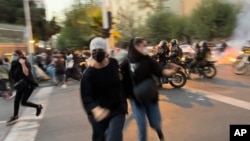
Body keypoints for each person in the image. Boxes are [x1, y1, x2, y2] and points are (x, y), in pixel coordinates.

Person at [120, 37, 177, 141]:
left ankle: (159, 133)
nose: (147, 48)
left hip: (151, 97)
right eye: (144, 46)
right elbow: (118, 77)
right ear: (136, 47)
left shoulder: (148, 60)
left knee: (155, 122)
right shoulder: (126, 63)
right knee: (142, 127)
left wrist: (170, 72)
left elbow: (160, 70)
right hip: (136, 100)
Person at [80, 37, 127, 141]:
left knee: (113, 138)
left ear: (105, 51)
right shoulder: (88, 74)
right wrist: (95, 109)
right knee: (100, 138)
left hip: (117, 109)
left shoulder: (113, 63)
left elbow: (120, 78)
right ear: (91, 52)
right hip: (98, 113)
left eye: (100, 50)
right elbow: (86, 97)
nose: (97, 52)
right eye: (94, 51)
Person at [7, 49, 43, 125]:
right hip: (20, 84)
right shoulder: (14, 63)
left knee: (23, 102)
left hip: (28, 84)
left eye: (15, 55)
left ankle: (38, 106)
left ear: (19, 55)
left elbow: (26, 74)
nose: (13, 56)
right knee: (16, 101)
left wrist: (23, 64)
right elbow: (13, 76)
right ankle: (15, 116)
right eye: (13, 55)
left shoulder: (25, 62)